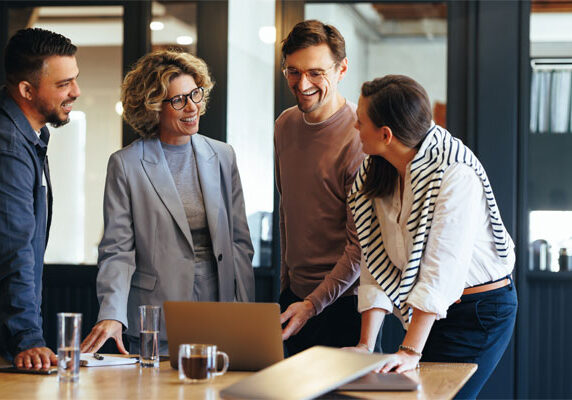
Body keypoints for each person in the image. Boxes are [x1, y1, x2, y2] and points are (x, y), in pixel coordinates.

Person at [347, 75, 517, 398]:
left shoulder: (455, 173)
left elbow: (442, 272)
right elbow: (374, 257)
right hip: (432, 313)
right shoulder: (376, 170)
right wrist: (365, 345)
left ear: (386, 135)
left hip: (480, 313)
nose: (355, 127)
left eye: (360, 122)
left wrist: (410, 351)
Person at [80, 49, 255, 355]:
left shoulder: (223, 155)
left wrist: (246, 313)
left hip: (221, 310)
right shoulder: (126, 164)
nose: (192, 107)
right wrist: (112, 313)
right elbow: (117, 250)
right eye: (178, 100)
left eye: (195, 94)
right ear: (153, 107)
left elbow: (240, 244)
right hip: (156, 315)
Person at [275, 20, 365, 356]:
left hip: (345, 306)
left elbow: (360, 248)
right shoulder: (284, 125)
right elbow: (288, 211)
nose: (303, 84)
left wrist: (313, 304)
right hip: (293, 300)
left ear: (342, 69)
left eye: (316, 72)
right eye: (293, 72)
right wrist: (288, 290)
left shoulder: (360, 137)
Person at [0, 28, 80, 369]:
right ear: (26, 90)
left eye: (75, 79)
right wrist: (28, 339)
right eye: (64, 84)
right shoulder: (9, 146)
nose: (76, 92)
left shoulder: (30, 137)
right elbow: (13, 248)